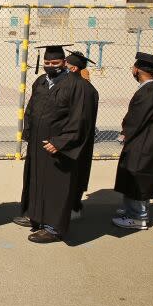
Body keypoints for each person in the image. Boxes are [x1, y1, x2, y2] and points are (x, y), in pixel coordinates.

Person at [15, 44, 95, 243]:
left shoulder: (78, 86)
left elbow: (80, 119)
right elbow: (31, 109)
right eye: (47, 62)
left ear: (64, 63)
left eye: (55, 62)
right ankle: (36, 217)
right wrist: (29, 133)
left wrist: (61, 142)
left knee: (56, 187)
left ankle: (54, 228)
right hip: (38, 144)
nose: (50, 66)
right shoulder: (41, 81)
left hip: (58, 148)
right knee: (36, 181)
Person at [111, 53, 153, 230]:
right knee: (132, 174)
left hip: (144, 143)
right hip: (141, 141)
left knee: (139, 177)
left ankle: (139, 217)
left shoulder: (150, 92)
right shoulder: (150, 89)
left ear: (137, 70)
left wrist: (125, 133)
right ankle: (131, 210)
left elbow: (137, 118)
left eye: (133, 68)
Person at [64, 50, 99, 220]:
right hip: (74, 138)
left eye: (65, 65)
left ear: (73, 69)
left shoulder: (84, 89)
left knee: (75, 174)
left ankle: (73, 207)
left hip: (76, 140)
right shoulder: (84, 87)